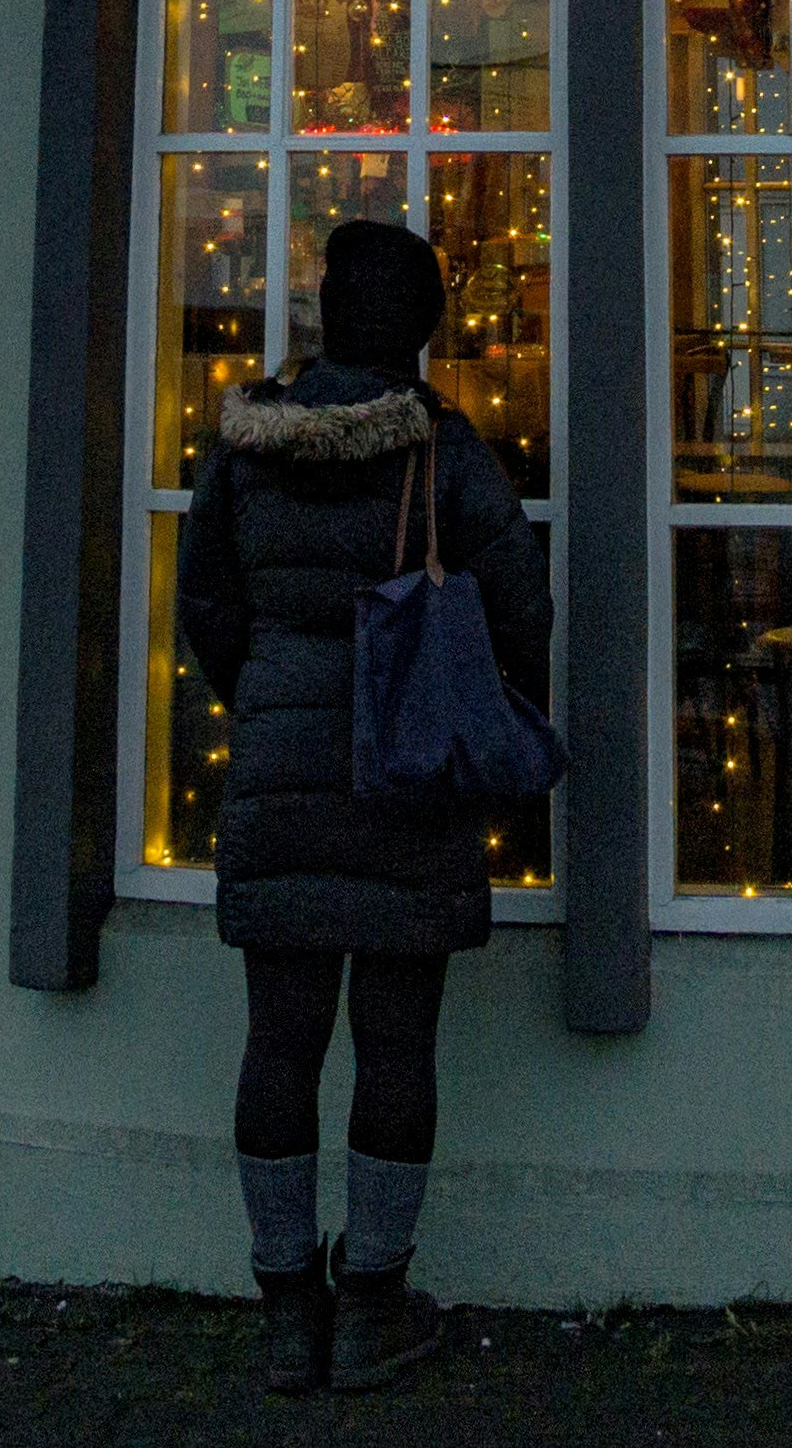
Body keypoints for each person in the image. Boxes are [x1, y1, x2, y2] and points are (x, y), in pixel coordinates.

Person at [176, 218, 549, 1397]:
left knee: (279, 1040)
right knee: (396, 1044)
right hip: (410, 778)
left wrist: (270, 705)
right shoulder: (448, 454)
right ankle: (373, 1298)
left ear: (331, 317)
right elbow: (521, 614)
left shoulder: (245, 448)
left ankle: (287, 1305)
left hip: (279, 779)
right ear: (423, 331)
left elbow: (207, 608)